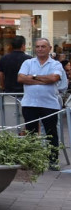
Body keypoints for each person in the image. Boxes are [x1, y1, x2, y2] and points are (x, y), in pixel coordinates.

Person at [18, 37, 67, 171]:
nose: (40, 49)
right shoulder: (28, 62)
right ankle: (31, 160)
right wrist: (42, 79)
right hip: (29, 103)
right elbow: (20, 78)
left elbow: (54, 78)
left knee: (51, 134)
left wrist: (32, 77)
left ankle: (53, 161)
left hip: (49, 104)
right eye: (38, 46)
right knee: (31, 133)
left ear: (49, 48)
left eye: (43, 46)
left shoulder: (55, 64)